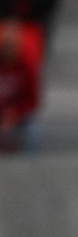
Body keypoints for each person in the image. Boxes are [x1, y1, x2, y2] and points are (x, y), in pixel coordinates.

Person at [0, 19, 38, 153]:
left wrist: (15, 113)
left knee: (34, 129)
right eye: (6, 43)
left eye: (12, 44)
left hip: (17, 114)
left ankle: (30, 166)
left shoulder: (25, 67)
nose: (8, 47)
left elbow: (32, 99)